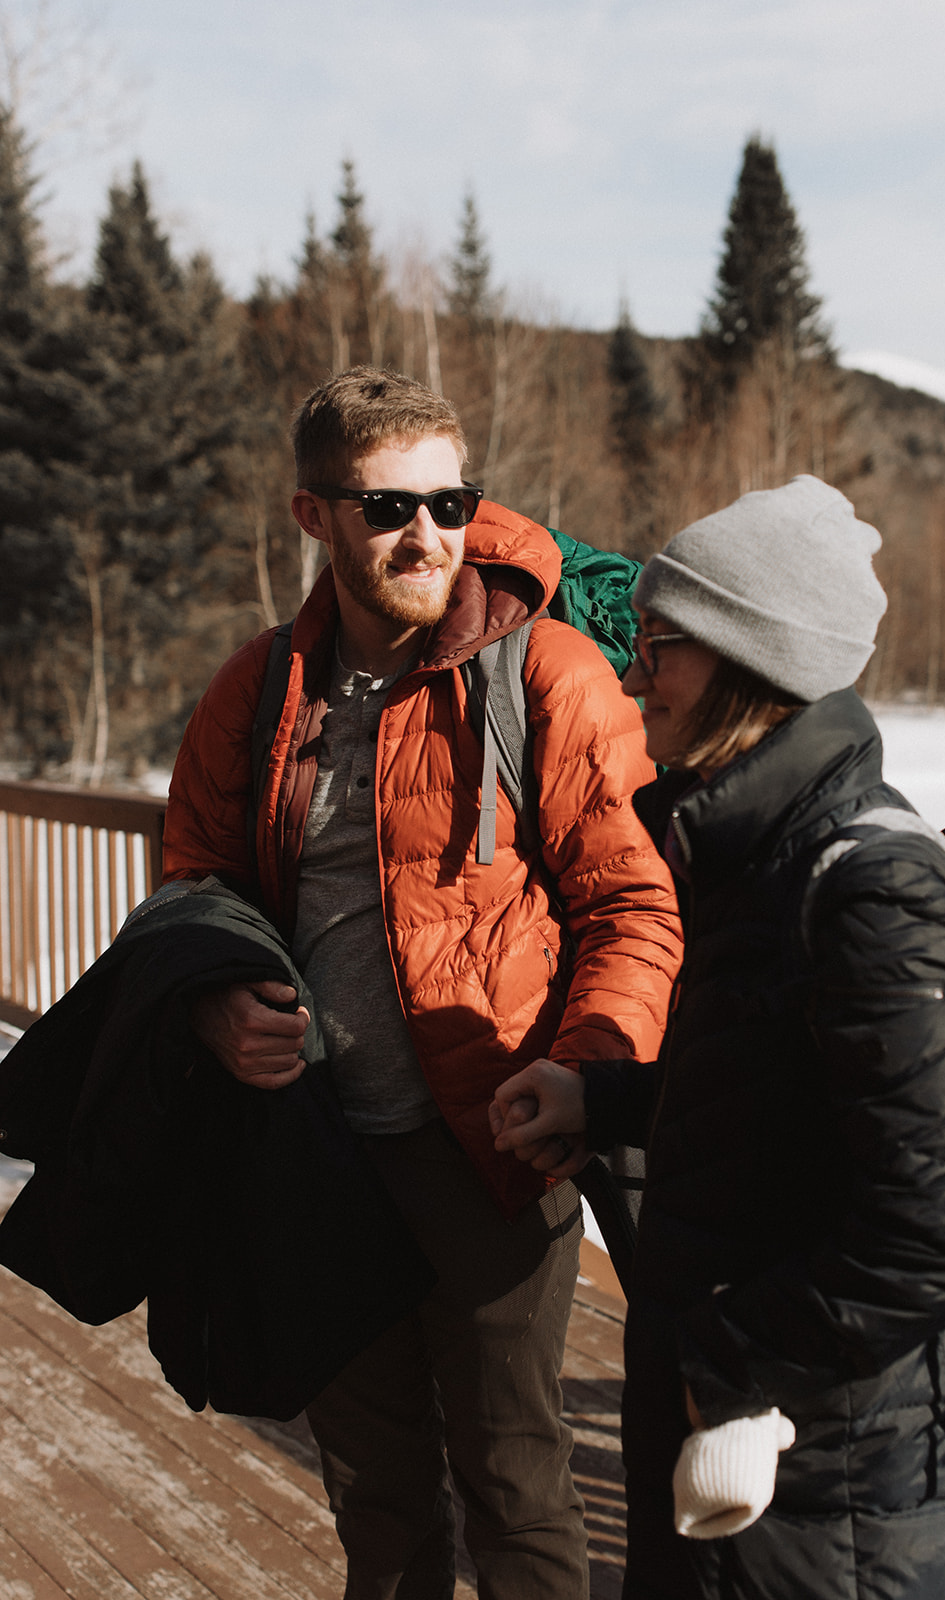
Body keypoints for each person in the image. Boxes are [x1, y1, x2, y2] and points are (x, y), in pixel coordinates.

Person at [162, 366, 684, 1600]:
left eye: (452, 503)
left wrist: (588, 1072)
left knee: (514, 1482)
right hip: (320, 1156)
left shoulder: (545, 673)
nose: (428, 535)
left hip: (495, 1149)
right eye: (390, 507)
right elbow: (195, 888)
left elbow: (633, 900)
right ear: (314, 517)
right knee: (378, 1501)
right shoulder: (257, 693)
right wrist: (212, 998)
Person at [491, 475, 945, 1600]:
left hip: (834, 1491)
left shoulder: (872, 887)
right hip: (771, 1468)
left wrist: (723, 1357)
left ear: (748, 658)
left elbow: (937, 1231)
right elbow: (780, 1093)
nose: (632, 672)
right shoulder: (760, 853)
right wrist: (606, 1101)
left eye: (659, 644)